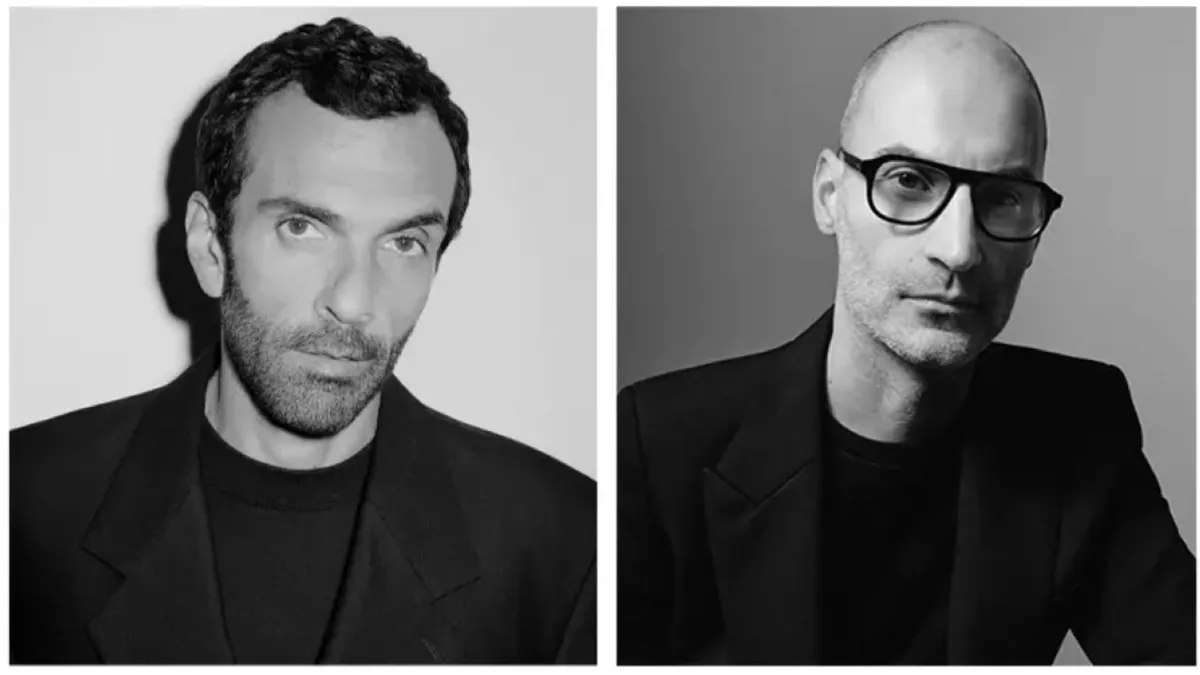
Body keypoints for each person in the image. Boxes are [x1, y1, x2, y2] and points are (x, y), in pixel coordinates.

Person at [11, 17, 595, 665]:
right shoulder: (23, 505)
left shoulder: (565, 539)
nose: (353, 299)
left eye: (404, 242)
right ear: (210, 245)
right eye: (302, 227)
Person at [617, 19, 1194, 666]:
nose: (959, 249)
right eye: (910, 181)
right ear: (830, 195)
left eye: (1004, 197)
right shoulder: (656, 448)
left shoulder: (1081, 426)